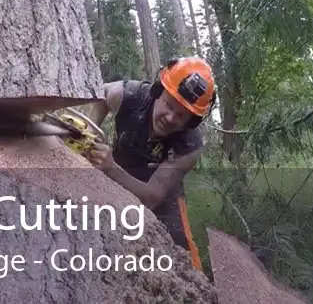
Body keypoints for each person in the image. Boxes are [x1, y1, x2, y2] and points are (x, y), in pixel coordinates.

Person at [84, 57, 217, 272]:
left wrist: (109, 168)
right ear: (157, 92)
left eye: (181, 115)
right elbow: (102, 94)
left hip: (162, 191)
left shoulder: (189, 145)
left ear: (191, 121)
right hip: (120, 170)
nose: (170, 117)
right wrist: (90, 131)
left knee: (183, 251)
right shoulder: (131, 94)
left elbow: (153, 196)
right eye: (168, 105)